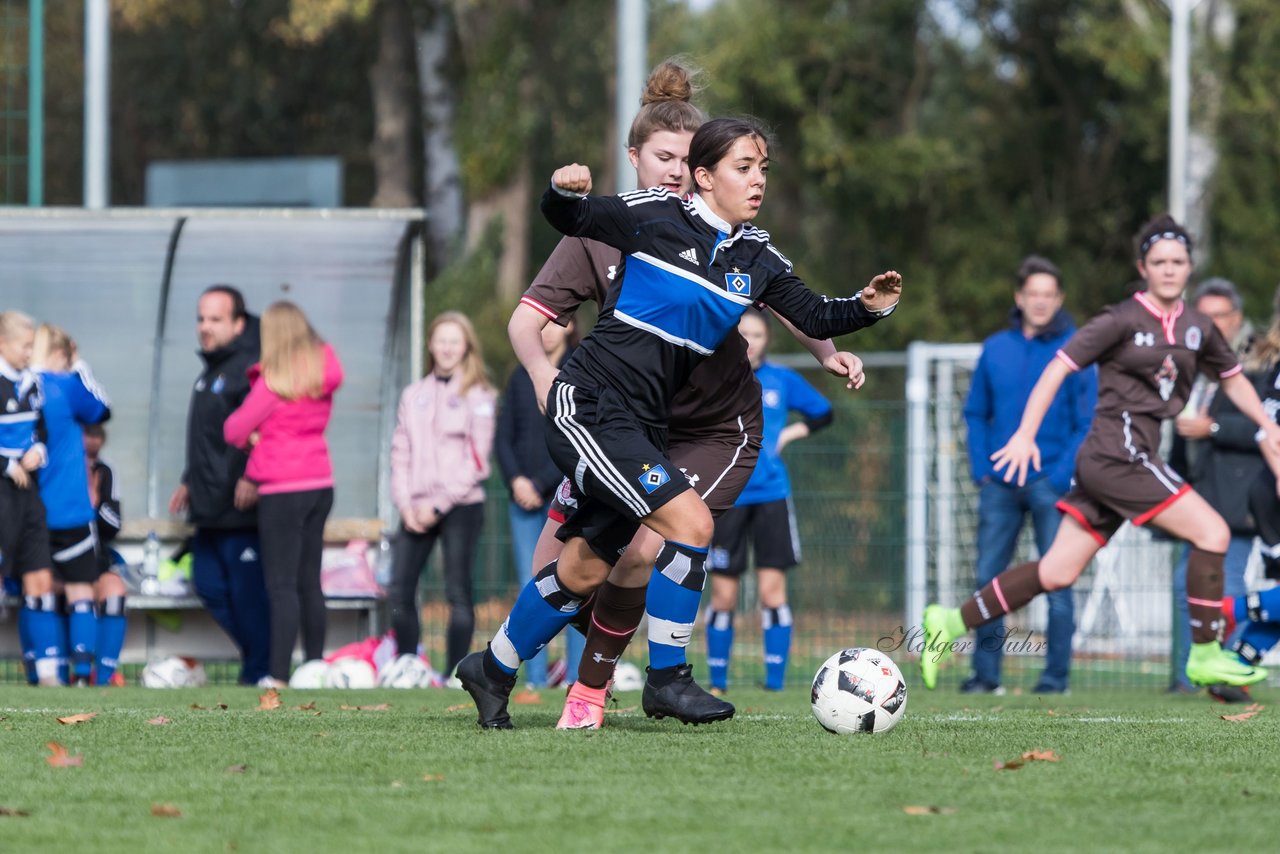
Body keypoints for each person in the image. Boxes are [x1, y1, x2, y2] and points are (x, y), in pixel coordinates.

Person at [458, 114, 900, 730]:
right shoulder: (652, 216)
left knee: (584, 567)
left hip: (641, 425)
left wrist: (870, 308)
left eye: (763, 169)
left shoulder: (757, 254)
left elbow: (818, 315)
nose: (757, 181)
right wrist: (564, 191)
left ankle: (491, 669)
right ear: (703, 176)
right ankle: (668, 679)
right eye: (743, 168)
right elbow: (573, 220)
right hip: (587, 403)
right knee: (688, 520)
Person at [920, 214, 1280, 692]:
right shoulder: (1120, 319)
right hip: (1119, 456)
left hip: (1125, 459)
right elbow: (1057, 368)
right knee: (1212, 531)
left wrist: (1267, 425)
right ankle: (1206, 654)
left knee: (1056, 570)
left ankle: (948, 621)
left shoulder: (1199, 328)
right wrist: (1026, 433)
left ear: (1190, 267)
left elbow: (1233, 380)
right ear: (1143, 267)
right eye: (1159, 261)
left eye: (1177, 261)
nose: (1169, 269)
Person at [958, 256, 1095, 695]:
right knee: (988, 578)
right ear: (1020, 298)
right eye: (1032, 294)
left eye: (1048, 295)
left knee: (1057, 580)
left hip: (1051, 484)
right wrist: (983, 469)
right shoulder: (995, 347)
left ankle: (1055, 679)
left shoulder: (1076, 350)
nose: (1039, 302)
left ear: (1059, 300)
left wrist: (1059, 475)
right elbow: (976, 412)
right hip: (998, 484)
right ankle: (986, 675)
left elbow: (1086, 422)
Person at [706, 309, 834, 693]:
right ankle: (716, 684)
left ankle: (774, 684)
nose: (750, 341)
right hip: (727, 497)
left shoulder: (781, 380)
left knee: (770, 593)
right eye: (743, 333)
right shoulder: (715, 375)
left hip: (772, 497)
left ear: (767, 340)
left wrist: (790, 434)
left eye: (758, 334)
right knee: (723, 595)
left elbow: (823, 412)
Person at [224, 300, 343, 688]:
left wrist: (256, 439)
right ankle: (313, 666)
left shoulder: (272, 382)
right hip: (320, 484)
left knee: (281, 585)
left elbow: (233, 429)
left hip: (281, 490)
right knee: (310, 582)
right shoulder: (320, 374)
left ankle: (277, 675)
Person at [169, 285, 271, 686]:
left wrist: (252, 475)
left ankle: (260, 672)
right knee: (208, 585)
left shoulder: (249, 369)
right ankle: (257, 663)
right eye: (201, 318)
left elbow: (263, 431)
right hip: (209, 508)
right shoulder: (211, 370)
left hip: (241, 509)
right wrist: (188, 480)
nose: (205, 327)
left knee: (249, 599)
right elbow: (210, 437)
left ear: (238, 323)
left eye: (215, 319)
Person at [387, 311, 495, 682]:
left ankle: (455, 673)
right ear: (431, 345)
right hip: (415, 507)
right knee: (400, 587)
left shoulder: (479, 396)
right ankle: (407, 665)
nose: (447, 348)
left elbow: (477, 462)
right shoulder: (413, 395)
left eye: (455, 341)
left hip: (460, 506)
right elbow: (400, 452)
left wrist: (439, 504)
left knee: (457, 591)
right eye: (441, 340)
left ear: (466, 347)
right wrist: (406, 505)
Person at [1168, 277, 1262, 698]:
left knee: (1229, 586)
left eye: (1217, 316)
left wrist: (1216, 427)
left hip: (1240, 497)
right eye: (1201, 316)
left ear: (1237, 318)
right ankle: (1194, 675)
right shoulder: (1192, 361)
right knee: (1183, 582)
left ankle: (1230, 673)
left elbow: (1267, 426)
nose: (1208, 323)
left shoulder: (1260, 364)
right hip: (1197, 494)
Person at [494, 317, 581, 689]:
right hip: (525, 503)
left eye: (553, 324)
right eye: (539, 325)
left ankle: (579, 679)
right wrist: (516, 480)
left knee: (578, 584)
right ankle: (532, 679)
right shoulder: (520, 377)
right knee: (532, 583)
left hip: (572, 496)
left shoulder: (583, 370)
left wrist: (543, 481)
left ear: (570, 327)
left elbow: (580, 438)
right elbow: (503, 437)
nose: (543, 332)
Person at [31, 324, 112, 685]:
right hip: (70, 508)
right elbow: (100, 409)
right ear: (61, 354)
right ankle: (82, 673)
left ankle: (43, 672)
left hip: (30, 507)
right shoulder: (65, 383)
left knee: (38, 587)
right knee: (81, 589)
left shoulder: (20, 386)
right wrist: (80, 365)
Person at [0, 310, 60, 685]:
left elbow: (42, 431)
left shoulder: (32, 383)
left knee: (39, 575)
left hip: (29, 493)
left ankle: (49, 674)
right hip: (3, 489)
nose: (29, 353)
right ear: (3, 344)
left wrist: (38, 450)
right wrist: (6, 463)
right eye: (24, 346)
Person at [84, 422, 128, 684]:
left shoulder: (106, 470)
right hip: (54, 559)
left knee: (114, 589)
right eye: (88, 433)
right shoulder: (54, 465)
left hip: (93, 560)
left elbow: (113, 527)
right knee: (74, 591)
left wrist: (95, 503)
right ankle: (67, 673)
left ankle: (103, 679)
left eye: (98, 434)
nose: (93, 440)